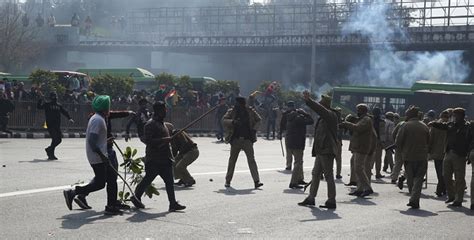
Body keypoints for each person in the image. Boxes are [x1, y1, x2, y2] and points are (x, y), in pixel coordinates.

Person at [63, 95, 123, 215]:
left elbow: (97, 140)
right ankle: (74, 192)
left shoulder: (99, 118)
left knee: (112, 178)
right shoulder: (98, 120)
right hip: (97, 157)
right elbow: (92, 141)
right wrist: (102, 155)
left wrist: (106, 142)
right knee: (100, 183)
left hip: (100, 154)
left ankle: (111, 204)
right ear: (105, 107)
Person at [131, 101, 186, 212]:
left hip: (165, 159)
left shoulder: (163, 124)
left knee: (169, 182)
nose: (166, 111)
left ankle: (173, 204)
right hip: (154, 159)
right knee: (148, 179)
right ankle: (136, 197)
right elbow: (149, 141)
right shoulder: (150, 124)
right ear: (159, 111)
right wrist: (164, 140)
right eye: (164, 109)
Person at [298, 93, 338, 209]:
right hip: (321, 150)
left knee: (329, 176)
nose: (319, 104)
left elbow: (320, 109)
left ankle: (331, 200)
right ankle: (311, 198)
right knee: (315, 174)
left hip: (327, 150)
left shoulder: (330, 115)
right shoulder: (324, 117)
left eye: (321, 103)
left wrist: (309, 100)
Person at [429, 108, 474, 207]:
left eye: (456, 115)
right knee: (445, 175)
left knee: (459, 178)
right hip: (448, 153)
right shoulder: (451, 125)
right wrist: (433, 123)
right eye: (453, 115)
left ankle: (458, 199)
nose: (454, 117)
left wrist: (467, 152)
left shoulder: (467, 127)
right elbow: (442, 126)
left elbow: (471, 140)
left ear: (461, 116)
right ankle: (451, 195)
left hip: (460, 155)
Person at [222, 96, 264, 189]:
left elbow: (259, 120)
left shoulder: (250, 111)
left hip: (247, 140)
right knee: (232, 161)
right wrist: (232, 122)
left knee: (251, 160)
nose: (235, 105)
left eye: (237, 103)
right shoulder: (232, 111)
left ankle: (256, 181)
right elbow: (224, 120)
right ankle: (228, 181)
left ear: (241, 103)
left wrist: (254, 129)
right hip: (235, 139)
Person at [395, 106, 430, 209]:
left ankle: (413, 199)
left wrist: (401, 151)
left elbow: (398, 141)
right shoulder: (424, 126)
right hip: (422, 156)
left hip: (409, 156)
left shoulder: (405, 126)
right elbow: (429, 141)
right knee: (419, 179)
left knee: (410, 179)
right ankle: (415, 199)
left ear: (409, 115)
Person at [340, 104, 376, 197]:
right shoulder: (361, 119)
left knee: (359, 168)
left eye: (358, 110)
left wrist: (346, 124)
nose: (357, 112)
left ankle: (367, 188)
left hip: (362, 147)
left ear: (362, 111)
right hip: (358, 147)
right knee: (357, 169)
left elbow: (358, 128)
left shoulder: (366, 120)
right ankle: (359, 189)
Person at [279, 101, 314, 189]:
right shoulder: (299, 118)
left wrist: (280, 132)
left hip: (290, 141)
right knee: (298, 162)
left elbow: (282, 125)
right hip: (297, 142)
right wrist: (305, 113)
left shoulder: (288, 116)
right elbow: (311, 121)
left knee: (299, 161)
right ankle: (293, 182)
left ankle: (300, 178)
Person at [37, 92, 74, 160]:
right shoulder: (47, 104)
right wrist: (40, 99)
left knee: (59, 140)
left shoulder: (59, 105)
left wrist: (69, 118)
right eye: (54, 97)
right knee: (54, 139)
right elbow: (39, 107)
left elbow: (64, 112)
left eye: (56, 97)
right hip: (50, 125)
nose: (55, 98)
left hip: (57, 125)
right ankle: (51, 154)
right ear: (51, 98)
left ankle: (49, 149)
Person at [165, 123, 199, 187]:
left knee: (180, 166)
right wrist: (171, 158)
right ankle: (183, 179)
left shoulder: (178, 133)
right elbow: (174, 150)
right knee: (174, 163)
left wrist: (176, 136)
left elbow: (185, 143)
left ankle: (190, 180)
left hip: (192, 151)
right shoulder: (171, 137)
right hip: (184, 153)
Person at [428, 110, 449, 197]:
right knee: (446, 172)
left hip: (436, 151)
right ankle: (442, 188)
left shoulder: (435, 125)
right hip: (446, 152)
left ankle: (441, 188)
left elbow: (430, 138)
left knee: (439, 171)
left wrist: (429, 150)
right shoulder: (449, 125)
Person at [280, 101, 297, 171]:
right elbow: (282, 124)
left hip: (291, 134)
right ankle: (291, 164)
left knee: (289, 150)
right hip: (293, 134)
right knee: (291, 150)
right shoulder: (297, 113)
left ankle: (289, 165)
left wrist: (280, 133)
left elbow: (282, 124)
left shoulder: (286, 114)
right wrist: (280, 133)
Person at [370, 107, 386, 179]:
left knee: (370, 157)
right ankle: (378, 173)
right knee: (378, 158)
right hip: (378, 141)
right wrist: (383, 143)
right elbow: (382, 133)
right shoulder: (382, 121)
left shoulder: (369, 120)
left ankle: (368, 171)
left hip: (369, 141)